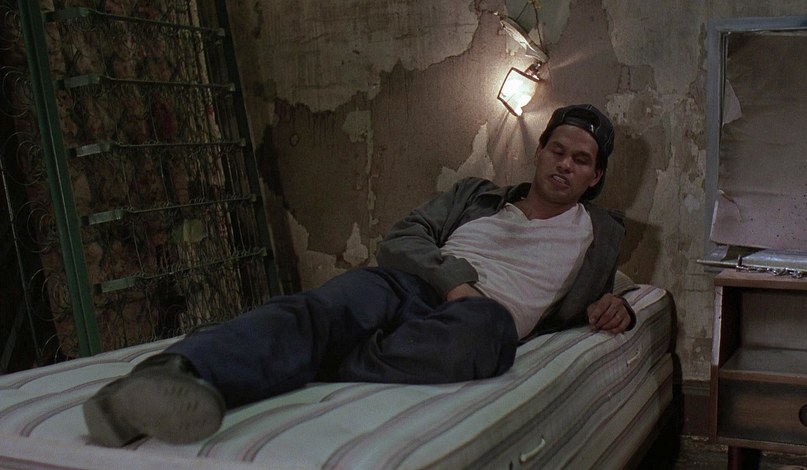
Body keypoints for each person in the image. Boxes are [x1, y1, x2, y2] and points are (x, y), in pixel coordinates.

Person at [83, 103, 635, 448]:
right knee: (324, 307)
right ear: (539, 152)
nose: (565, 164)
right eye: (557, 150)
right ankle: (169, 372)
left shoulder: (599, 235)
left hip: (477, 320)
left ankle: (308, 356)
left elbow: (611, 292)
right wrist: (453, 280)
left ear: (595, 177)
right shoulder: (477, 195)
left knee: (488, 331)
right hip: (412, 285)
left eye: (581, 160)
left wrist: (621, 306)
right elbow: (401, 238)